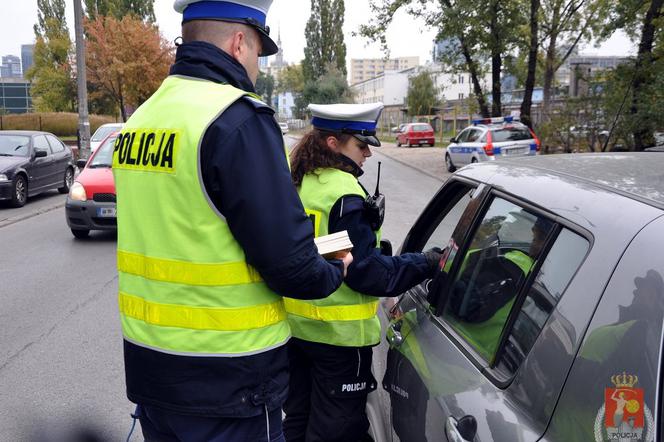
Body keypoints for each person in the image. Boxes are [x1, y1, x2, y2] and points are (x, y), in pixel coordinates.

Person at [111, 1, 352, 441]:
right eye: (259, 51)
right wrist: (334, 267)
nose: (257, 67)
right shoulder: (237, 119)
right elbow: (291, 264)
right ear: (240, 42)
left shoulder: (140, 121)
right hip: (230, 382)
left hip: (152, 373)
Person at [282, 103, 442, 442]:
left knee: (298, 420)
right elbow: (364, 273)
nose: (368, 152)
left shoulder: (298, 180)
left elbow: (325, 247)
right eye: (360, 144)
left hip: (295, 333)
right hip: (339, 340)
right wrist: (426, 263)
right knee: (336, 431)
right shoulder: (344, 193)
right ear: (332, 144)